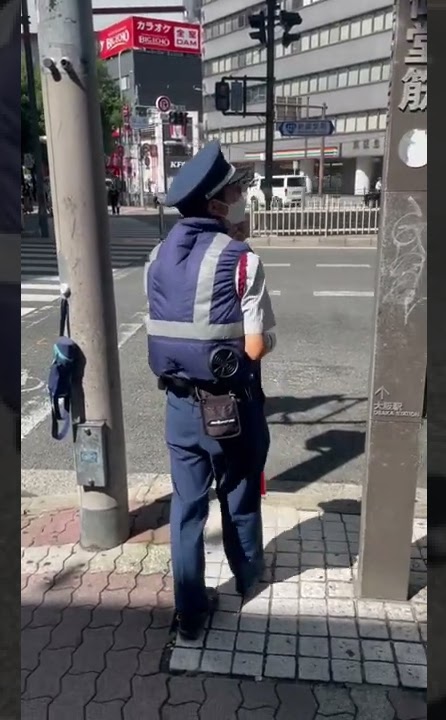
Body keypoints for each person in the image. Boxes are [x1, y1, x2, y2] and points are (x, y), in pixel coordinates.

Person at [143, 141, 277, 641]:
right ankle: (247, 578)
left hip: (179, 404)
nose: (242, 197)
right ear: (217, 203)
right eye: (236, 191)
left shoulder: (156, 256)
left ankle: (191, 615)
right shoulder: (241, 260)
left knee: (187, 508)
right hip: (231, 406)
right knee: (238, 492)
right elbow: (256, 346)